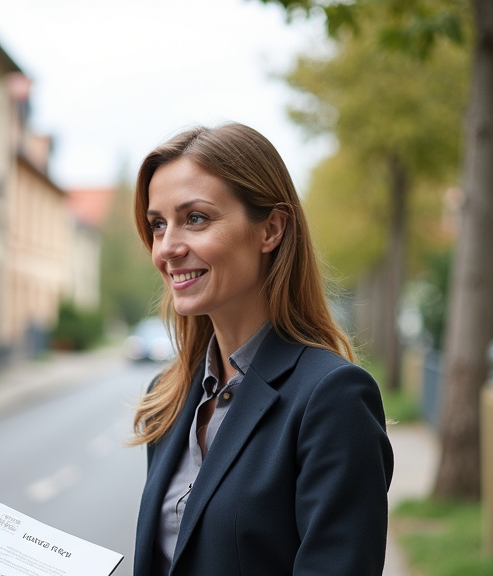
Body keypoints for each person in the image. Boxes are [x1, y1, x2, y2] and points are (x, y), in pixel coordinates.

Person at [130, 123, 394, 575]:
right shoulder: (169, 397)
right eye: (158, 224)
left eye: (195, 218)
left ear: (270, 229)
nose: (167, 248)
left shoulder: (332, 399)